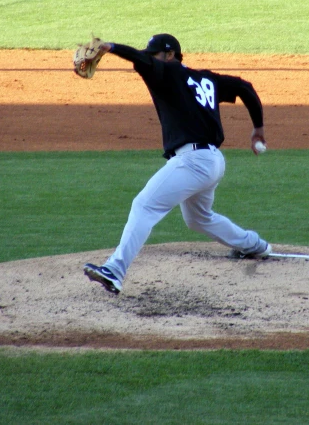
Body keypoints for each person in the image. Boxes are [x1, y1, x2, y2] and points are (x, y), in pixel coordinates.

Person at [83, 33, 271, 294]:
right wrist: (258, 128)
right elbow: (245, 87)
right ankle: (254, 245)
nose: (150, 60)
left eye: (155, 55)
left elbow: (139, 59)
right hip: (213, 161)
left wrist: (111, 47)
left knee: (144, 205)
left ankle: (114, 270)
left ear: (170, 55)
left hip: (193, 161)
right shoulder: (206, 78)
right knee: (198, 218)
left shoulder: (167, 72)